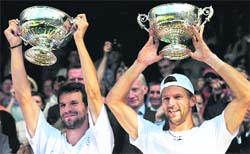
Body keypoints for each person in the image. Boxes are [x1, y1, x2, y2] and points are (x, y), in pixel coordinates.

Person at [106, 26, 250, 154]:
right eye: (166, 98)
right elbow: (113, 101)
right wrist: (140, 63)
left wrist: (210, 58)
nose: (171, 103)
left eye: (178, 97)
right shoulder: (150, 135)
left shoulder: (213, 132)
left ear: (192, 100)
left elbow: (246, 94)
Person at [5, 14, 113, 153]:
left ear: (87, 108)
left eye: (74, 103)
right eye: (63, 105)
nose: (67, 109)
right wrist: (15, 45)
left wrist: (79, 40)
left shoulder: (99, 139)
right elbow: (25, 98)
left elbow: (93, 92)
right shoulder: (48, 139)